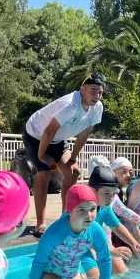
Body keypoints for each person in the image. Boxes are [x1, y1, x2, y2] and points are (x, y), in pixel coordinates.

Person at [24, 72, 106, 238]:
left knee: (73, 172)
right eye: (93, 90)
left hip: (58, 139)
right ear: (82, 89)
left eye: (100, 92)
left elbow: (84, 135)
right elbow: (48, 131)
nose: (97, 96)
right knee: (44, 175)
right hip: (37, 136)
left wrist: (73, 159)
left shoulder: (97, 108)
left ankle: (65, 217)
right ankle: (40, 223)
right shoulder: (70, 105)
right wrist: (42, 157)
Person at [27, 185, 111, 279]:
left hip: (71, 274)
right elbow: (39, 263)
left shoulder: (95, 230)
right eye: (82, 209)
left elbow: (105, 259)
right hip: (49, 274)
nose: (89, 215)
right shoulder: (54, 233)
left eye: (92, 209)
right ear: (69, 211)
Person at [81, 158, 140, 278]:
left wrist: (133, 243)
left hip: (98, 245)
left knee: (123, 273)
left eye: (113, 194)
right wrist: (110, 250)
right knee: (95, 278)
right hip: (77, 248)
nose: (110, 198)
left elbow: (117, 226)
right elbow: (81, 238)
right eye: (106, 193)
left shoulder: (104, 208)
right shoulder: (83, 209)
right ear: (92, 190)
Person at [109, 157, 140, 257]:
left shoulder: (121, 191)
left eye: (131, 172)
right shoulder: (111, 193)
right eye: (124, 171)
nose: (129, 175)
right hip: (113, 233)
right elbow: (121, 215)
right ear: (112, 172)